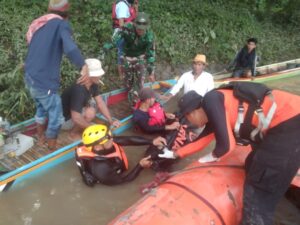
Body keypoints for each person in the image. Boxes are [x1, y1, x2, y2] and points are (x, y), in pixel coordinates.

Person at [159, 83, 300, 225]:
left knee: (257, 195)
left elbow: (226, 147)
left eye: (188, 118)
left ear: (192, 112)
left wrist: (207, 158)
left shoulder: (211, 99)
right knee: (252, 163)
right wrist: (173, 154)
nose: (191, 123)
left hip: (290, 121)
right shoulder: (216, 107)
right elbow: (201, 141)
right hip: (286, 123)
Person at [24, 0, 89, 150]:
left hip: (30, 77)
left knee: (41, 108)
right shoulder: (60, 24)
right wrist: (83, 65)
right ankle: (51, 146)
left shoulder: (41, 24)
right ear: (66, 15)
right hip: (44, 80)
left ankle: (40, 138)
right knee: (56, 116)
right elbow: (70, 47)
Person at [75, 124, 167, 186]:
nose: (112, 140)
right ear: (98, 147)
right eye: (109, 139)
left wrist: (151, 141)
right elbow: (123, 181)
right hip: (110, 178)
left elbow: (128, 140)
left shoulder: (106, 144)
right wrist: (140, 166)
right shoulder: (101, 168)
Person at [103, 12, 156, 106]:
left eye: (142, 30)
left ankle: (136, 102)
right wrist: (109, 45)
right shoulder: (127, 28)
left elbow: (150, 55)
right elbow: (117, 36)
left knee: (140, 81)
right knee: (128, 82)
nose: (140, 31)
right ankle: (130, 95)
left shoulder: (149, 37)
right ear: (135, 25)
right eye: (138, 29)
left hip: (140, 58)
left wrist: (151, 72)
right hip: (127, 57)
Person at [61, 58, 120, 140]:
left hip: (72, 114)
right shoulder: (79, 89)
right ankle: (72, 134)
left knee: (91, 109)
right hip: (63, 120)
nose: (100, 76)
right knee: (90, 112)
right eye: (98, 74)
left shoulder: (93, 84)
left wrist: (111, 120)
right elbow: (76, 117)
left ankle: (81, 127)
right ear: (89, 75)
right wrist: (95, 129)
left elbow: (100, 102)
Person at [111, 0, 138, 78]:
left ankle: (130, 74)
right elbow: (121, 24)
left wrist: (136, 9)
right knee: (122, 55)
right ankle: (122, 76)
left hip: (129, 33)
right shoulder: (122, 5)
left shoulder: (129, 5)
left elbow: (135, 19)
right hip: (122, 35)